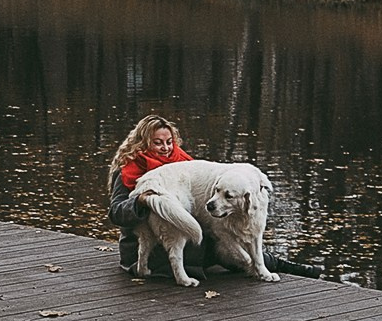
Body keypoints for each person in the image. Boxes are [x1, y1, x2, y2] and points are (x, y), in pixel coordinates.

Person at [104, 114, 323, 278]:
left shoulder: (181, 165)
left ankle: (286, 266)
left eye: (169, 142)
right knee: (223, 243)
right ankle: (273, 266)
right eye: (157, 142)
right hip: (147, 249)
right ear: (142, 143)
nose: (165, 148)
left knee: (230, 238)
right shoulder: (128, 171)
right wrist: (141, 201)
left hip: (193, 241)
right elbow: (116, 213)